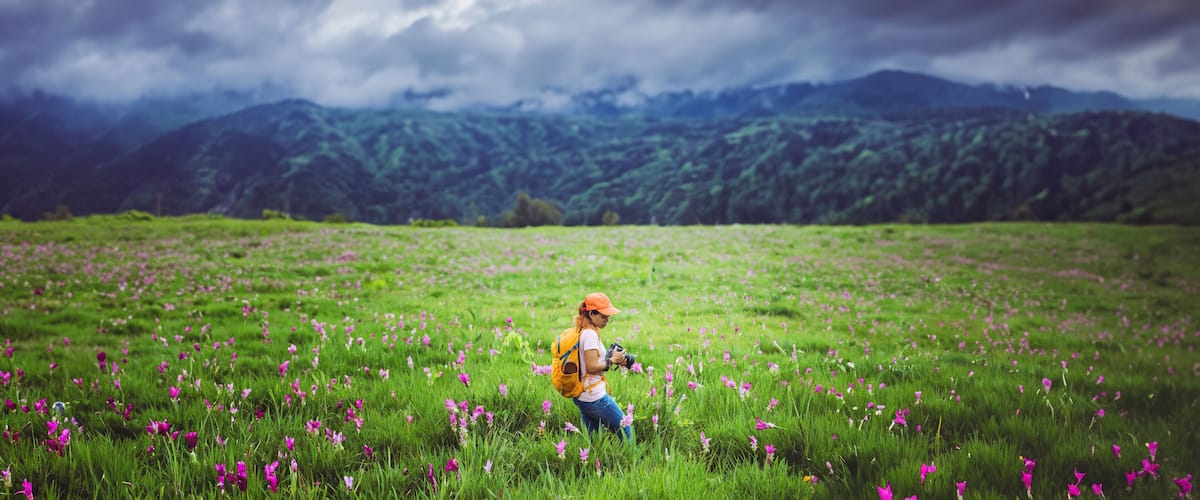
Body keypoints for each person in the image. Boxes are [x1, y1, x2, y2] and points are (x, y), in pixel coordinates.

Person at [571, 292, 634, 442]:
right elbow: (592, 367)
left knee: (594, 438)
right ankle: (631, 461)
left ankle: (594, 462)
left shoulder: (582, 330)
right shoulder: (590, 335)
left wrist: (613, 359)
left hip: (582, 395)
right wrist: (612, 360)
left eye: (608, 316)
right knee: (625, 428)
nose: (607, 320)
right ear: (591, 314)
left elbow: (587, 363)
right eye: (604, 316)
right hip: (594, 396)